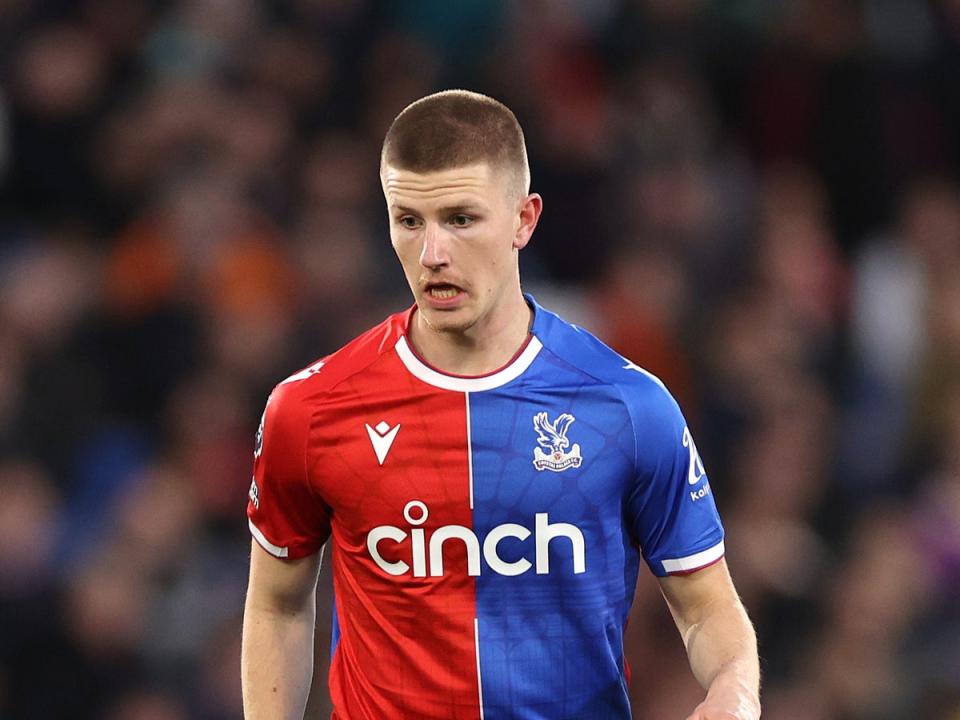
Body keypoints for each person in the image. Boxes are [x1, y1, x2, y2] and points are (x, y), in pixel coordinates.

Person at [241, 89, 761, 720]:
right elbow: (278, 604)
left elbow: (706, 605)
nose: (433, 254)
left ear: (524, 218)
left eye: (461, 219)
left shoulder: (627, 406)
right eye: (409, 220)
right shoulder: (311, 408)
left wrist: (733, 689)